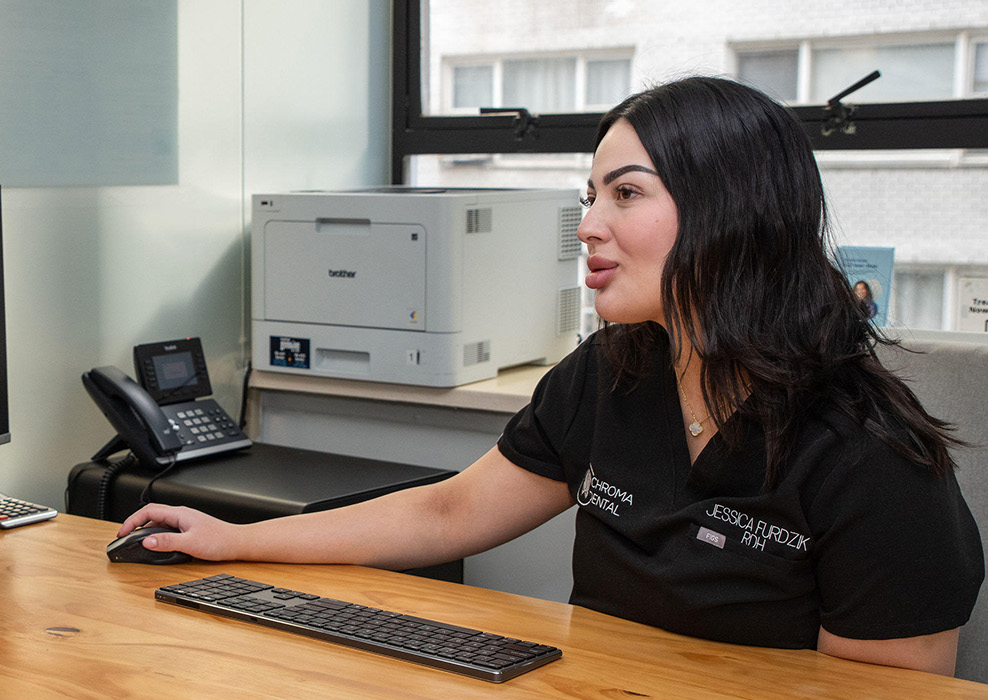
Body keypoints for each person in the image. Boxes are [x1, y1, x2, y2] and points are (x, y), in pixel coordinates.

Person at [119, 76, 982, 675]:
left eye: (627, 195)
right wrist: (234, 539)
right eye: (589, 196)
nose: (589, 227)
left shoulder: (871, 452)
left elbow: (883, 690)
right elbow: (449, 510)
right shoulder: (612, 371)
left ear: (733, 211)